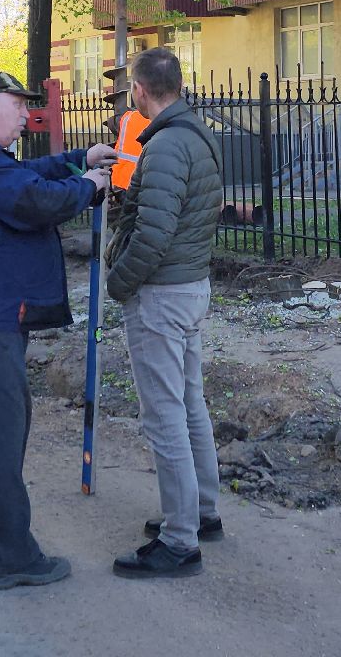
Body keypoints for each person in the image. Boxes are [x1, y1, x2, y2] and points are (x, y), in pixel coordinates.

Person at [0, 69, 116, 590]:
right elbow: (35, 201)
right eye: (17, 106)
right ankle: (12, 558)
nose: (25, 116)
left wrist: (79, 159)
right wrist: (89, 187)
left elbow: (26, 175)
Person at [104, 47, 224, 579]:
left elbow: (153, 234)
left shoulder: (168, 145)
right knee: (189, 404)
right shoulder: (196, 134)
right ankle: (201, 512)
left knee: (165, 415)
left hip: (161, 294)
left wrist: (119, 283)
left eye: (130, 89)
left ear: (141, 90)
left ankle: (180, 542)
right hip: (190, 286)